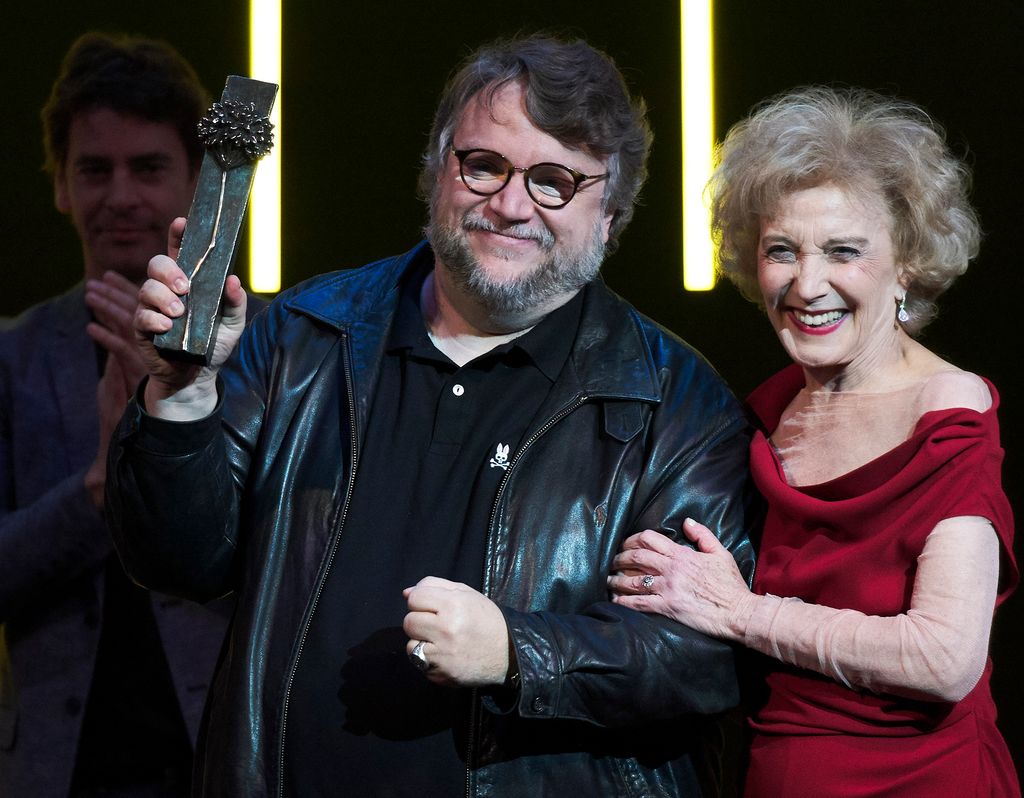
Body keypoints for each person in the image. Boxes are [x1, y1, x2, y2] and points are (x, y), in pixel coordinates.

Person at [106, 34, 757, 797]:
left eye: (555, 182)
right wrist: (181, 395)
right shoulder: (305, 336)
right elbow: (174, 562)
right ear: (436, 172)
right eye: (483, 165)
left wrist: (519, 652)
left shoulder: (676, 403)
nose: (511, 205)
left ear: (611, 214)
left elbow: (703, 657)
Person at [609, 86, 1021, 796]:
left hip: (923, 781)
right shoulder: (765, 415)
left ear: (909, 264)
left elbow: (944, 658)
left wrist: (741, 613)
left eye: (843, 251)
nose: (807, 283)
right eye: (781, 250)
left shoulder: (947, 417)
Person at [0, 31, 236, 797]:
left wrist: (183, 422)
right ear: (61, 185)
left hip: (220, 755)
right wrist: (99, 487)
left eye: (149, 167)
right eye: (95, 170)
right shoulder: (14, 357)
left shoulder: (262, 345)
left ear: (196, 179)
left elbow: (298, 564)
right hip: (60, 766)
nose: (122, 196)